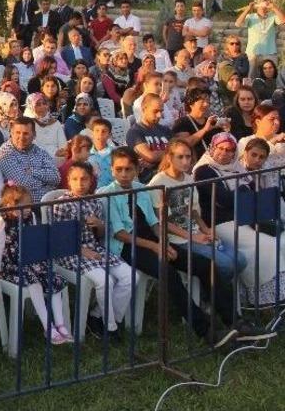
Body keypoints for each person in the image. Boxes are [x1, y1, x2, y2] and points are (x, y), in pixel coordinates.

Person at [101, 147, 258, 347]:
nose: (124, 174)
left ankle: (234, 321)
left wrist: (163, 242)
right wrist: (155, 247)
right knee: (168, 273)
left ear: (136, 170)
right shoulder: (107, 194)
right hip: (128, 247)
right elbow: (120, 234)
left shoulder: (141, 190)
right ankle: (205, 330)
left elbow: (154, 223)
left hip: (154, 243)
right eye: (119, 169)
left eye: (128, 169)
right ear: (112, 170)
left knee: (205, 265)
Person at [194, 135, 285, 306]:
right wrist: (243, 192)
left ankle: (278, 298)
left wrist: (243, 195)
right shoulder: (205, 170)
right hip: (220, 223)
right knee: (266, 246)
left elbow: (251, 196)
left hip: (245, 218)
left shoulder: (237, 169)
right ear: (212, 148)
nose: (224, 153)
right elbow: (223, 200)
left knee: (280, 240)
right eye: (220, 148)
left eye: (229, 150)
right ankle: (263, 300)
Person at [51, 163, 133, 340]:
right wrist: (82, 251)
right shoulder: (61, 204)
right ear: (69, 181)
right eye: (75, 179)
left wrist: (100, 225)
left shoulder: (94, 202)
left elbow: (100, 235)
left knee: (130, 276)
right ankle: (110, 328)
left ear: (90, 181)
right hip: (70, 252)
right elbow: (60, 238)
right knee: (105, 281)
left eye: (84, 179)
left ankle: (98, 317)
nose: (80, 183)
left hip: (95, 249)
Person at [149, 138, 244, 278]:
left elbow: (192, 211)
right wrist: (193, 237)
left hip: (195, 232)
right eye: (180, 157)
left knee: (241, 260)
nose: (185, 161)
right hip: (177, 240)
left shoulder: (188, 179)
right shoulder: (158, 183)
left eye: (188, 156)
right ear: (169, 157)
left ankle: (218, 290)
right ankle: (214, 294)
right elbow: (162, 221)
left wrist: (206, 229)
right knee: (226, 264)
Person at [0, 183, 73, 344]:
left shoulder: (32, 217)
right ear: (8, 205)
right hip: (12, 265)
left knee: (54, 279)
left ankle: (60, 323)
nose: (27, 210)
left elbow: (37, 239)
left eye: (28, 205)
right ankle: (48, 326)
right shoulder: (2, 221)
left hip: (32, 260)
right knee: (34, 283)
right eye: (21, 206)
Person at [0, 117, 60, 202]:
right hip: (20, 208)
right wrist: (48, 185)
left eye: (26, 133)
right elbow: (24, 185)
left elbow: (56, 177)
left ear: (34, 135)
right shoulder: (4, 154)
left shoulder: (40, 151)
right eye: (18, 133)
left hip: (46, 204)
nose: (21, 137)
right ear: (11, 133)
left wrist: (33, 171)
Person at [236, 0, 285, 76]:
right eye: (262, 1)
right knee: (251, 76)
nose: (265, 2)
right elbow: (238, 24)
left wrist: (274, 7)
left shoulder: (272, 16)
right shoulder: (251, 17)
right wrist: (248, 9)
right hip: (253, 53)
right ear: (257, 4)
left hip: (270, 52)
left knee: (272, 76)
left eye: (266, 0)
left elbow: (283, 20)